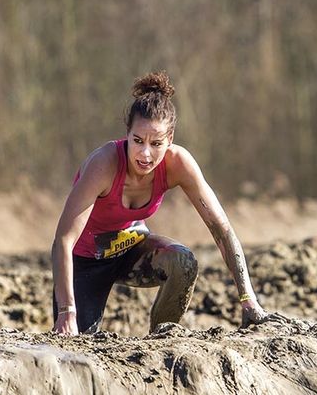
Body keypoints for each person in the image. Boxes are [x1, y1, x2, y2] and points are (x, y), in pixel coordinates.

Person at [52, 71, 270, 335]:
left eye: (156, 143)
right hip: (86, 261)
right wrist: (67, 312)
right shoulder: (104, 165)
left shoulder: (178, 164)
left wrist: (248, 300)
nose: (145, 154)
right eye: (137, 141)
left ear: (170, 138)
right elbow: (63, 240)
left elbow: (221, 228)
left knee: (183, 262)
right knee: (77, 344)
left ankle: (162, 339)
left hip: (131, 248)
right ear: (127, 133)